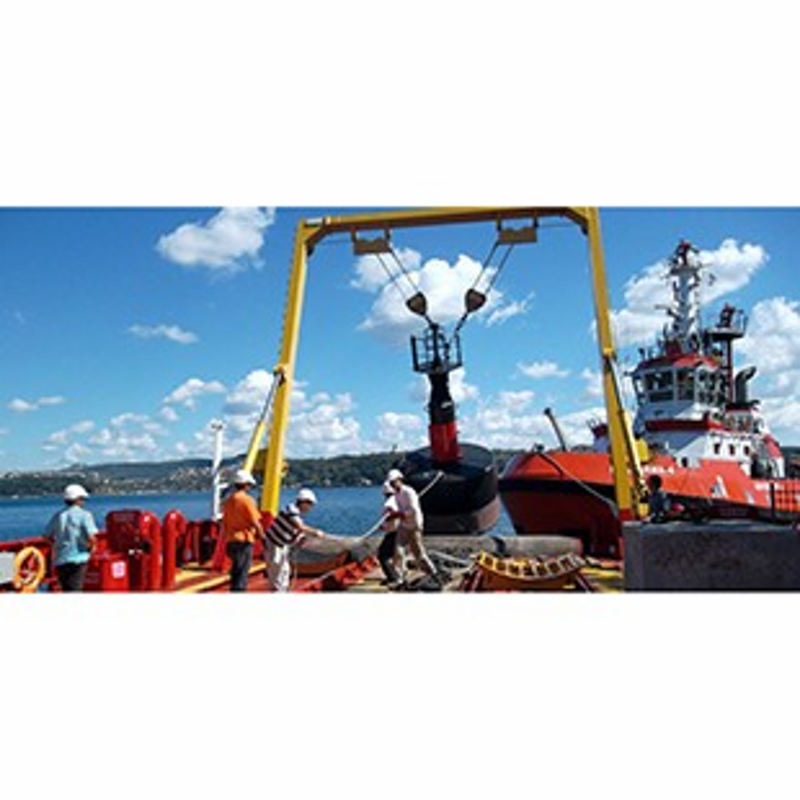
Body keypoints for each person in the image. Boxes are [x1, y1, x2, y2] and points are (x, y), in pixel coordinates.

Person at [386, 469, 442, 588]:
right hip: (404, 525)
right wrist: (393, 513)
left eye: (394, 482)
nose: (393, 485)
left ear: (400, 480)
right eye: (391, 483)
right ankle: (400, 579)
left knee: (419, 554)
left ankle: (433, 573)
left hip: (415, 525)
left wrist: (400, 514)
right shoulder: (396, 494)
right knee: (398, 551)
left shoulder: (409, 492)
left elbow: (414, 510)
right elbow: (398, 508)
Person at [264, 487, 326, 592]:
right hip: (274, 546)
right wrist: (316, 532)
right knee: (277, 573)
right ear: (303, 502)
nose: (310, 508)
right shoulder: (291, 509)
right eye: (310, 504)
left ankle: (282, 592)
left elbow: (295, 530)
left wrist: (299, 539)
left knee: (285, 571)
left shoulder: (295, 514)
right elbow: (299, 526)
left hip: (282, 546)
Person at [43, 484, 98, 591]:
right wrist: (91, 548)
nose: (83, 501)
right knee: (75, 589)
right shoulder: (85, 515)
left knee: (66, 589)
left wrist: (57, 545)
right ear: (77, 499)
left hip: (61, 559)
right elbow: (91, 537)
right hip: (79, 559)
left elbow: (46, 537)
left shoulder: (58, 515)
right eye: (82, 499)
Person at [221, 469, 265, 591]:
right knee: (242, 575)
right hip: (243, 541)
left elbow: (225, 522)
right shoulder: (247, 500)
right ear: (246, 484)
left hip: (231, 541)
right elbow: (255, 522)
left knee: (235, 573)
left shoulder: (229, 501)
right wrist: (263, 538)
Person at [377, 480, 406, 588]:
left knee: (382, 555)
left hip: (393, 532)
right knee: (396, 555)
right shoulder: (398, 499)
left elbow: (392, 514)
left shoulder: (389, 503)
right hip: (399, 531)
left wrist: (387, 520)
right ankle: (397, 576)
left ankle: (392, 578)